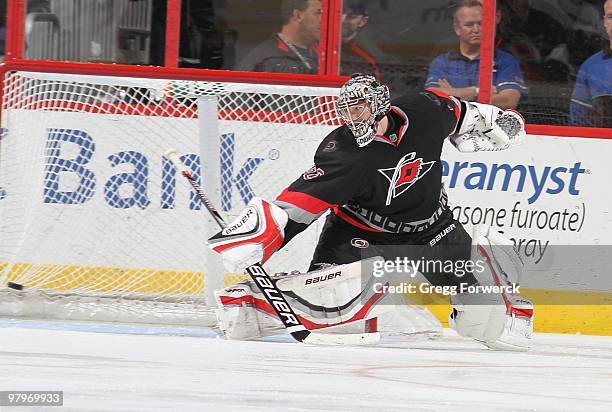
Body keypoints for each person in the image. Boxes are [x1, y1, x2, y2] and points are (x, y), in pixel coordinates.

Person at [208, 74, 535, 351]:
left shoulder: (426, 110)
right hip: (359, 233)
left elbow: (467, 115)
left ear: (380, 104)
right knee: (340, 311)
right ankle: (249, 304)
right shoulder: (344, 153)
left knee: (488, 316)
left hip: (433, 229)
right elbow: (297, 206)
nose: (352, 117)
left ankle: (503, 309)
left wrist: (500, 121)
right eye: (346, 109)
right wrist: (259, 236)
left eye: (359, 108)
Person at [426, 0, 527, 110]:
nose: (476, 29)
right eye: (469, 25)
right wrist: (476, 91)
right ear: (457, 29)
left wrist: (452, 94)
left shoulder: (506, 61)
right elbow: (433, 98)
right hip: (454, 126)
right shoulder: (441, 62)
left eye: (481, 23)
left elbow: (508, 101)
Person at [237, 0, 322, 74]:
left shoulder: (322, 49)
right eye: (318, 13)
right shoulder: (264, 58)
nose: (323, 19)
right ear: (298, 15)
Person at [570, 0, 612, 127]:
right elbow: (578, 120)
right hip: (600, 143)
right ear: (604, 22)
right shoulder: (590, 67)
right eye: (611, 17)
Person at [339, 0, 381, 79]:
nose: (343, 20)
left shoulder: (366, 60)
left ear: (362, 21)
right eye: (340, 13)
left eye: (351, 16)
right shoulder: (315, 47)